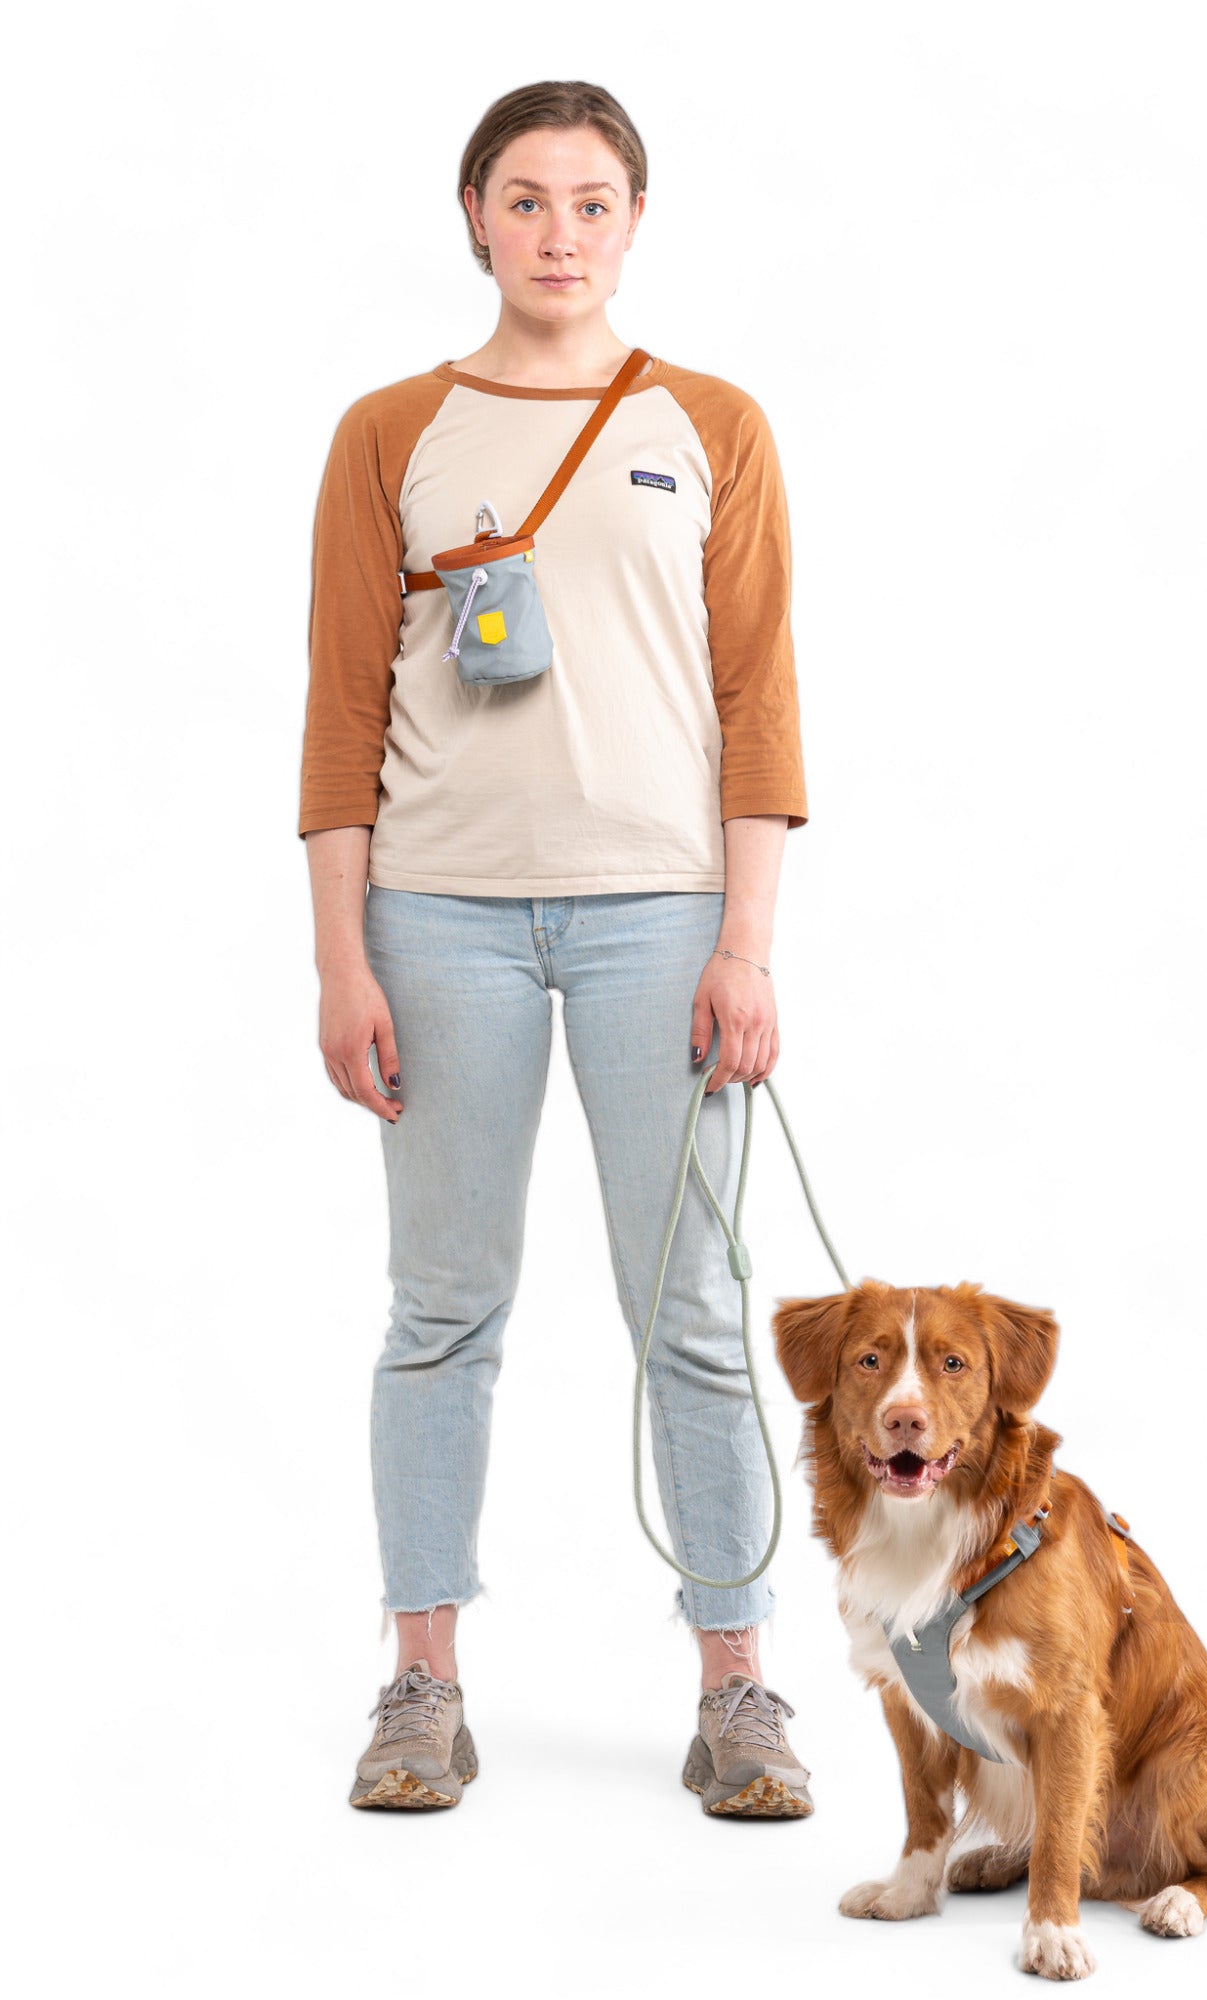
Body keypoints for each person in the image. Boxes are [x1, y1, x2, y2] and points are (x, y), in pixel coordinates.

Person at [298, 80, 813, 1816]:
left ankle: (739, 1686)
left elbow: (759, 707)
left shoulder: (710, 421)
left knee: (692, 1309)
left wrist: (744, 943)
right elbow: (337, 710)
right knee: (441, 1310)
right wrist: (339, 958)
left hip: (659, 919)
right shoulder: (391, 430)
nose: (559, 234)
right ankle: (420, 1687)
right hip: (434, 917)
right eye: (526, 201)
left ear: (635, 223)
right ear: (472, 218)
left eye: (592, 203)